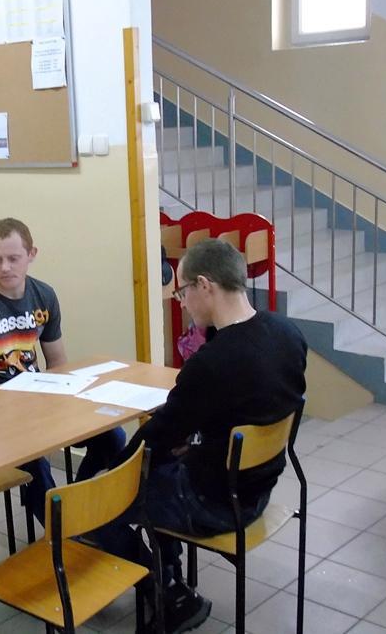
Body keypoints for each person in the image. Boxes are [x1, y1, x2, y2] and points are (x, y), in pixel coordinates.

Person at [95, 239, 307, 633]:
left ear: (204, 285)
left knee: (101, 505)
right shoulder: (287, 333)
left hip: (216, 503)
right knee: (160, 469)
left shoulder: (212, 362)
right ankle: (172, 576)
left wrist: (111, 476)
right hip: (258, 488)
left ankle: (170, 594)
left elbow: (157, 435)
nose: (181, 302)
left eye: (182, 291)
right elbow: (243, 407)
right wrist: (193, 442)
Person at [0, 217, 126, 525]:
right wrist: (21, 408)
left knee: (112, 435)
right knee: (36, 461)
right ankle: (63, 530)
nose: (5, 268)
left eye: (13, 258)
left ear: (31, 254)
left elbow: (58, 362)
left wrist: (59, 402)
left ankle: (78, 502)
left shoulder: (44, 296)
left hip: (37, 399)